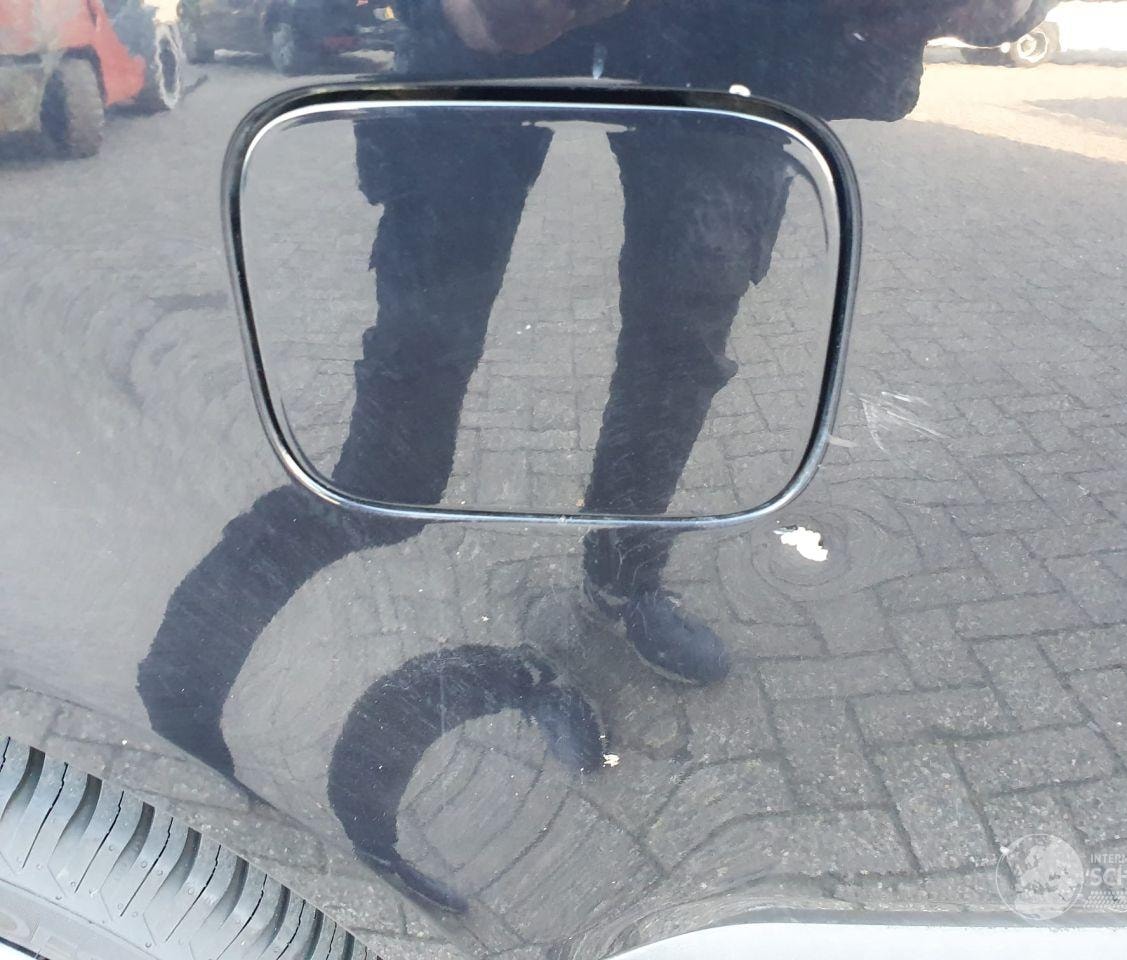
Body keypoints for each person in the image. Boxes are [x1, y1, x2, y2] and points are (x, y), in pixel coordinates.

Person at [138, 0, 1055, 915]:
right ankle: (181, 672)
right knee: (395, 450)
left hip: (730, 60)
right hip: (476, 70)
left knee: (681, 351)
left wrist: (984, 7)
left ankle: (622, 577)